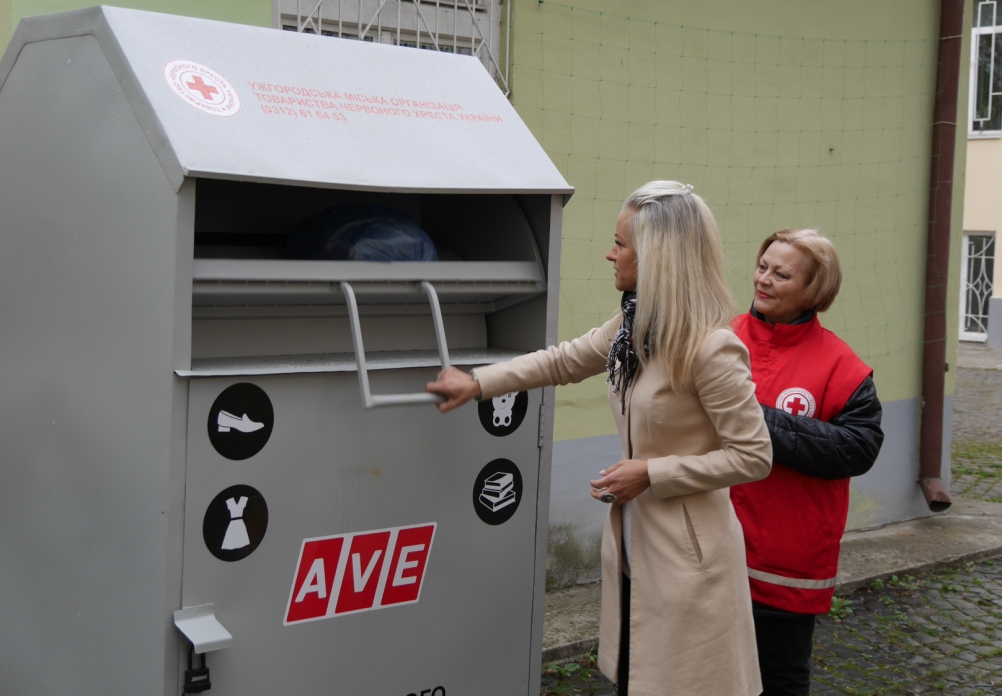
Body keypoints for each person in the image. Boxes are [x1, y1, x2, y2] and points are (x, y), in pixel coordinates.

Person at [426, 181, 773, 696]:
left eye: (621, 244)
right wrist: (478, 382)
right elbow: (564, 360)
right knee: (639, 677)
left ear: (656, 257)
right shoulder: (634, 325)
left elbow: (754, 456)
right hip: (636, 544)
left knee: (682, 682)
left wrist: (651, 473)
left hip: (689, 560)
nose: (610, 254)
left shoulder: (711, 348)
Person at [729, 228, 884, 696]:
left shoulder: (842, 366)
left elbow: (858, 448)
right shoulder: (722, 336)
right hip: (715, 548)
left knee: (778, 678)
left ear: (814, 290)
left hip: (784, 562)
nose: (764, 280)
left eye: (781, 274)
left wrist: (756, 420)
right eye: (762, 267)